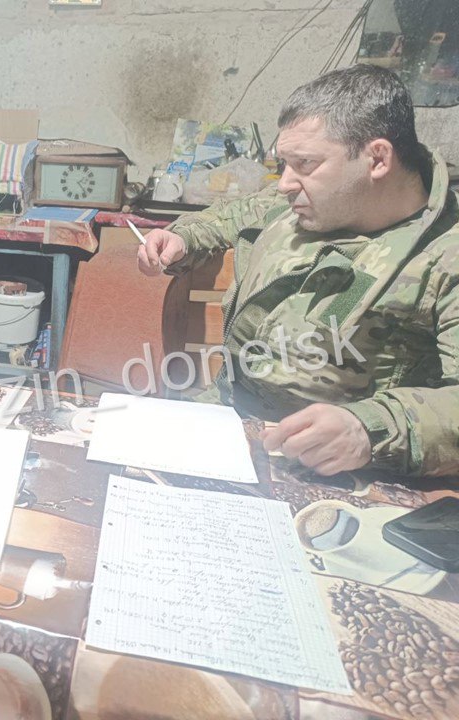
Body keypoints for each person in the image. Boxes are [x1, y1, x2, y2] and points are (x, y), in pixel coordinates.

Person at [137, 64, 459, 478]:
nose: (285, 183)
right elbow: (231, 215)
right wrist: (183, 238)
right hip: (228, 427)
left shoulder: (446, 255)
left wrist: (370, 428)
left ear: (377, 159)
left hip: (343, 471)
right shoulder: (299, 203)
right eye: (284, 164)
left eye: (305, 163)